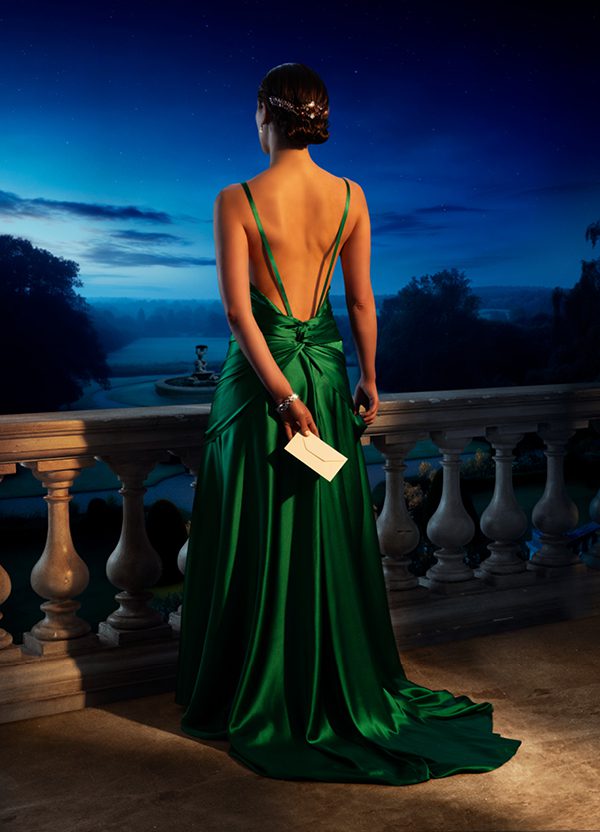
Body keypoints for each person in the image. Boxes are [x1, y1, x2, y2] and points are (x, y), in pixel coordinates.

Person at [175, 62, 522, 785]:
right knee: (322, 537)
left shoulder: (235, 198)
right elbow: (364, 302)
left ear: (267, 115)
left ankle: (253, 688)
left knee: (254, 537)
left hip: (261, 391)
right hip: (327, 382)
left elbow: (240, 314)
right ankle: (335, 679)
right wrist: (369, 377)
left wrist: (277, 398)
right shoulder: (352, 195)